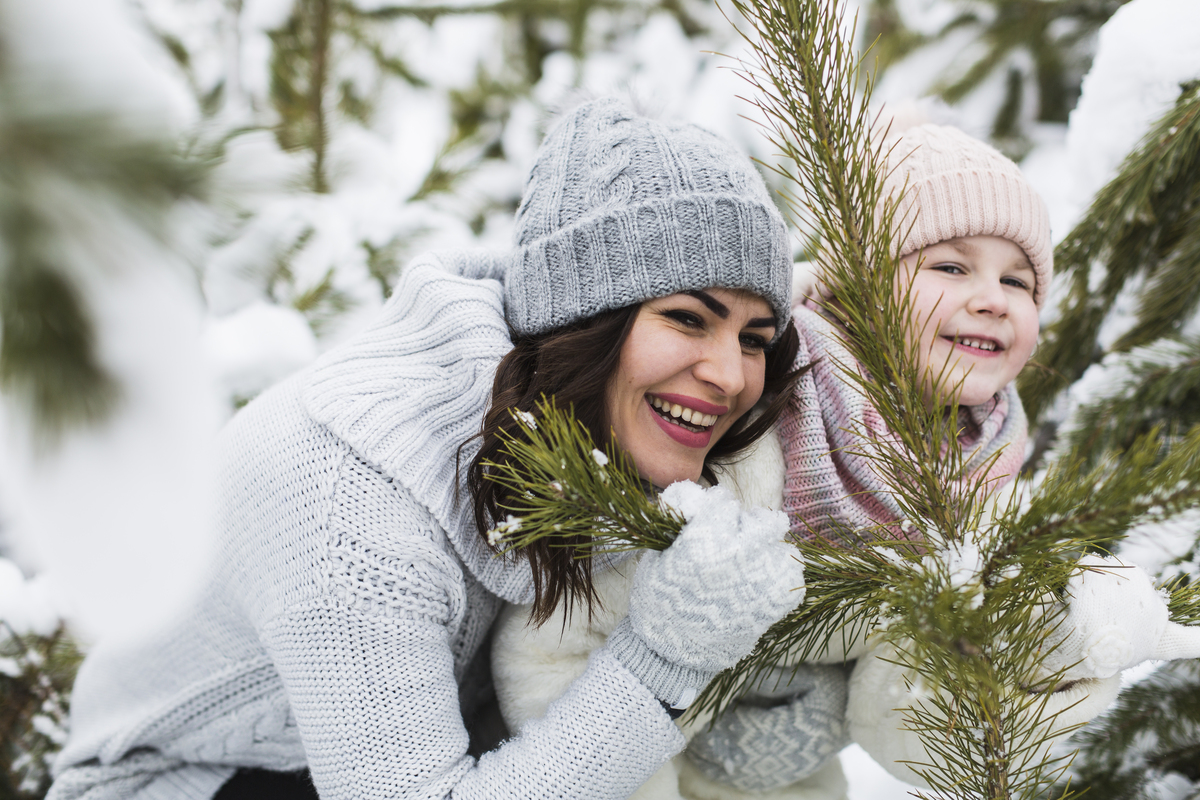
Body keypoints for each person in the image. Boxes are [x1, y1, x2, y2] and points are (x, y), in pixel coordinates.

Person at [46, 97, 808, 800]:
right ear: (582, 317)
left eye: (753, 338)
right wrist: (664, 661)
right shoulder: (354, 496)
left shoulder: (583, 421)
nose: (730, 375)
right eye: (686, 318)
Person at [491, 119, 1194, 800]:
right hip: (624, 756)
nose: (992, 299)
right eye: (950, 266)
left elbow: (911, 723)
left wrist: (1068, 646)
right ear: (858, 286)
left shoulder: (983, 466)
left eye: (1020, 282)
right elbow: (561, 641)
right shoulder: (762, 419)